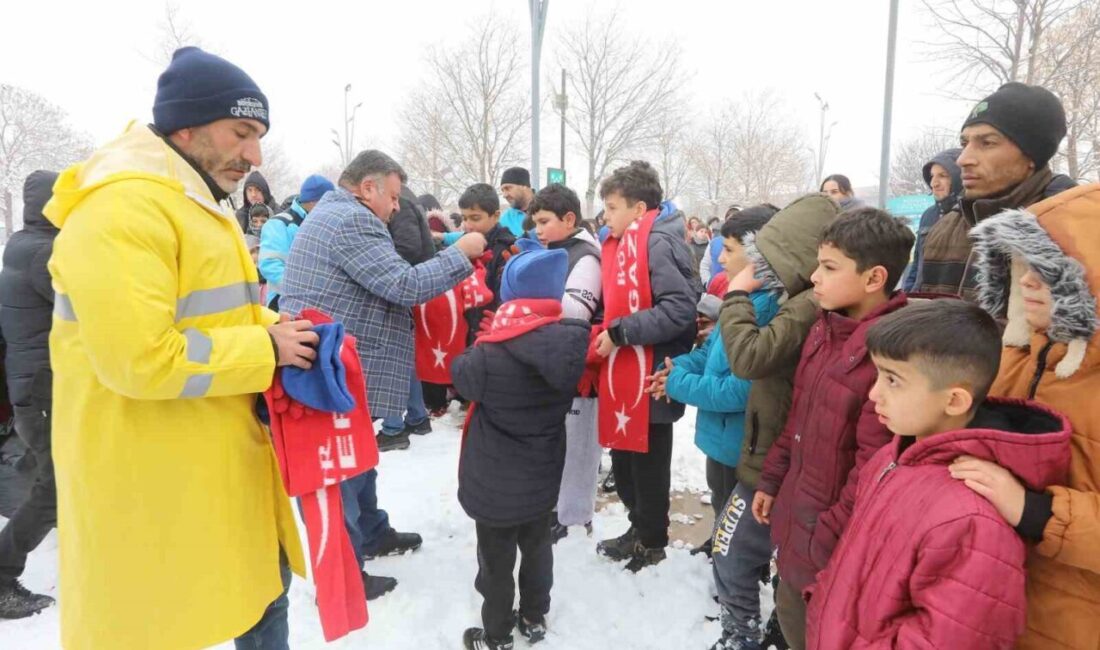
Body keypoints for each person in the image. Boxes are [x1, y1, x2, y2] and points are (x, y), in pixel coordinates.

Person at [44, 46, 317, 649]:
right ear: (185, 127)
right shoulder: (122, 207)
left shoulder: (192, 203)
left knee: (264, 601)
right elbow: (140, 359)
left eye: (260, 137)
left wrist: (278, 326)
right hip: (157, 486)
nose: (255, 156)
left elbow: (211, 312)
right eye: (241, 133)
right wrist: (266, 347)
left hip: (213, 471)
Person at [279, 150, 487, 598]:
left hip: (335, 367)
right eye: (393, 197)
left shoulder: (337, 215)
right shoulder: (352, 220)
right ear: (367, 187)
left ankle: (372, 533)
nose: (397, 207)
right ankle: (347, 572)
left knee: (360, 459)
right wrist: (463, 253)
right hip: (334, 373)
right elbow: (404, 284)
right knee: (344, 473)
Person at [805, 301, 1071, 649]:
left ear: (955, 400)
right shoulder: (894, 455)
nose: (874, 394)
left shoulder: (973, 517)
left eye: (893, 380)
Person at [751, 208, 913, 650]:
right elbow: (797, 420)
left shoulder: (892, 355)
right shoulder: (824, 330)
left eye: (829, 267)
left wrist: (824, 537)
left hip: (834, 549)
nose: (814, 276)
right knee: (790, 618)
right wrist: (772, 479)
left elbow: (874, 468)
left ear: (874, 277)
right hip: (798, 528)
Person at [966, 183, 1100, 650]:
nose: (1025, 281)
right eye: (1021, 265)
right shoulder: (1013, 357)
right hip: (991, 597)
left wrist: (1036, 512)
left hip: (1071, 621)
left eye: (1048, 268)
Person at [709, 194, 839, 650]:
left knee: (733, 551)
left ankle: (743, 633)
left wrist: (737, 294)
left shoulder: (805, 306)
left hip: (774, 459)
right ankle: (760, 631)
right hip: (773, 452)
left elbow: (748, 358)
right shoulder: (798, 298)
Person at [452, 248, 590, 650]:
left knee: (495, 562)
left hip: (494, 482)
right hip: (542, 475)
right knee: (537, 547)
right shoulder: (568, 343)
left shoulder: (489, 353)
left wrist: (485, 339)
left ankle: (495, 634)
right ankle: (534, 615)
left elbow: (461, 377)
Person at [649, 208, 780, 547]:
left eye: (730, 250)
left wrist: (676, 384)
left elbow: (740, 390)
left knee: (739, 519)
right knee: (722, 501)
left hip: (741, 441)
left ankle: (733, 571)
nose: (720, 258)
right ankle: (718, 545)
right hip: (721, 437)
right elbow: (711, 353)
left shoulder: (766, 309)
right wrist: (674, 368)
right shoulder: (743, 299)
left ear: (757, 253)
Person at [592, 161, 700, 573]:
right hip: (626, 370)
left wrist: (619, 333)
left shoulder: (656, 242)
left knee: (648, 465)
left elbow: (678, 310)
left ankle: (651, 541)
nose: (606, 217)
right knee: (624, 462)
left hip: (651, 372)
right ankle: (636, 528)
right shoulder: (626, 243)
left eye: (613, 207)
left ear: (639, 209)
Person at [918, 82, 1075, 301]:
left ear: (1032, 156)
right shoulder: (944, 227)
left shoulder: (1072, 228)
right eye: (965, 143)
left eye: (987, 143)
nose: (963, 159)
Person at [528, 183, 603, 542]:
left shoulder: (585, 256)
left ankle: (573, 515)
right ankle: (559, 506)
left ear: (569, 218)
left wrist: (528, 303)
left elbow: (575, 311)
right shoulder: (560, 249)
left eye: (544, 221)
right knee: (561, 441)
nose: (538, 230)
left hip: (582, 367)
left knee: (579, 445)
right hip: (559, 360)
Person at [0, 170, 59, 618]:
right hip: (42, 386)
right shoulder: (44, 252)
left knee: (53, 474)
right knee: (52, 487)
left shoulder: (22, 244)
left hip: (32, 383)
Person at [381, 183, 438, 440]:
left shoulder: (399, 202)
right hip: (407, 284)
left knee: (391, 353)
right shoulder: (404, 198)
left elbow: (408, 246)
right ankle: (416, 416)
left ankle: (394, 428)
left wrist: (380, 269)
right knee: (402, 353)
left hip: (400, 286)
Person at [259, 174, 335, 310]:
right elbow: (270, 265)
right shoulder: (279, 224)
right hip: (283, 303)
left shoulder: (325, 223)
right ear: (314, 202)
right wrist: (301, 293)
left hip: (319, 304)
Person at [457, 183, 520, 347]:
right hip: (465, 333)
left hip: (491, 335)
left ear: (496, 215)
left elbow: (506, 300)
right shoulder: (461, 245)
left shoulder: (508, 249)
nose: (468, 225)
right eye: (464, 218)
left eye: (475, 218)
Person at [900, 148, 962, 292]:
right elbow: (916, 264)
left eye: (943, 175)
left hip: (953, 304)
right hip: (922, 300)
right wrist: (907, 294)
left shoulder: (972, 214)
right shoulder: (928, 215)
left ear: (960, 178)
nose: (934, 183)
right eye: (932, 176)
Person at [499, 167, 535, 237]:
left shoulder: (546, 208)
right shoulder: (504, 220)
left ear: (524, 186)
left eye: (508, 188)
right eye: (502, 190)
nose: (504, 195)